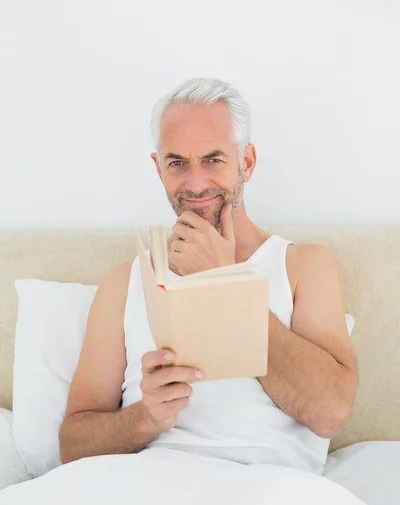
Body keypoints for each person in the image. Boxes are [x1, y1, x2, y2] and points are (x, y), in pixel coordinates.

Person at [59, 78, 358, 474]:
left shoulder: (304, 266)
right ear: (158, 168)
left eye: (214, 159)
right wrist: (144, 419)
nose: (195, 183)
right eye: (177, 163)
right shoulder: (126, 282)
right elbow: (72, 446)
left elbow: (330, 413)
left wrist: (227, 283)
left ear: (246, 163)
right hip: (143, 487)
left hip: (268, 494)